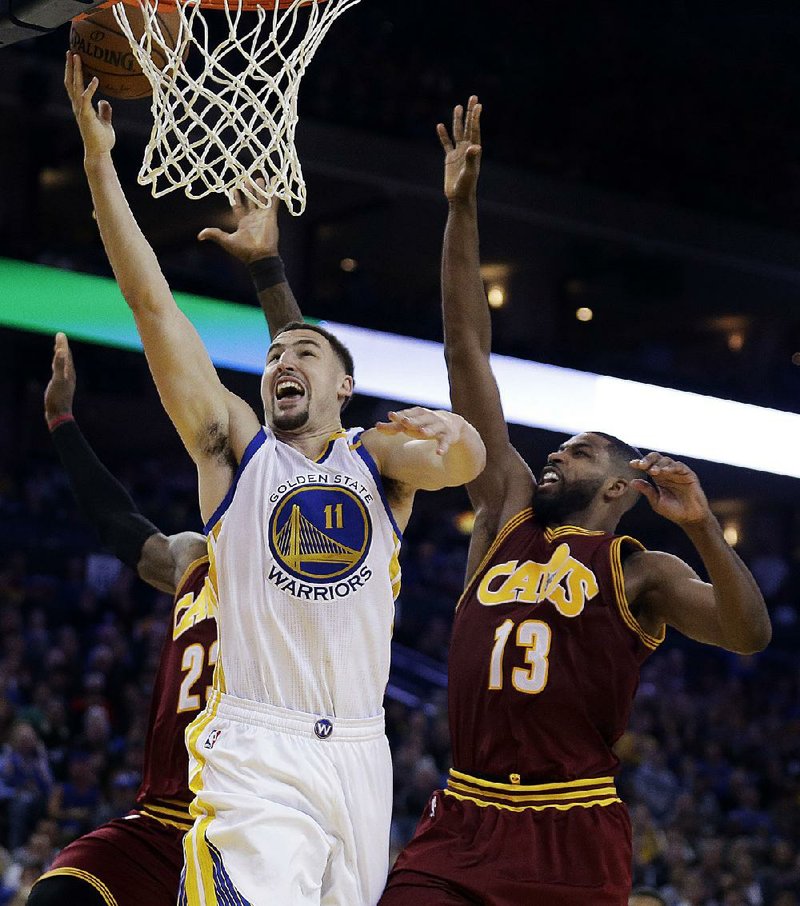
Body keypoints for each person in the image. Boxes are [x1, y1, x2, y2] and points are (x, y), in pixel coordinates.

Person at [64, 55, 486, 906]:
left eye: (303, 352)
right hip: (259, 747)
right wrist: (99, 163)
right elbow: (153, 307)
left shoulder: (377, 461)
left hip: (363, 759)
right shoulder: (235, 454)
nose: (281, 359)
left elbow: (466, 466)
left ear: (343, 387)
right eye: (272, 356)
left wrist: (459, 432)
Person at [380, 98, 771, 905]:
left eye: (581, 451)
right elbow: (466, 352)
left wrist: (702, 530)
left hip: (570, 832)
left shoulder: (642, 571)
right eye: (560, 447)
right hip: (462, 817)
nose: (557, 454)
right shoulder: (507, 508)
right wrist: (460, 211)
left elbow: (748, 632)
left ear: (624, 488)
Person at [30, 185, 304, 906]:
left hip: (248, 830)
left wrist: (269, 271)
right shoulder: (192, 558)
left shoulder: (304, 565)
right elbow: (119, 527)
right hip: (159, 821)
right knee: (58, 895)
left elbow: (311, 417)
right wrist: (63, 423)